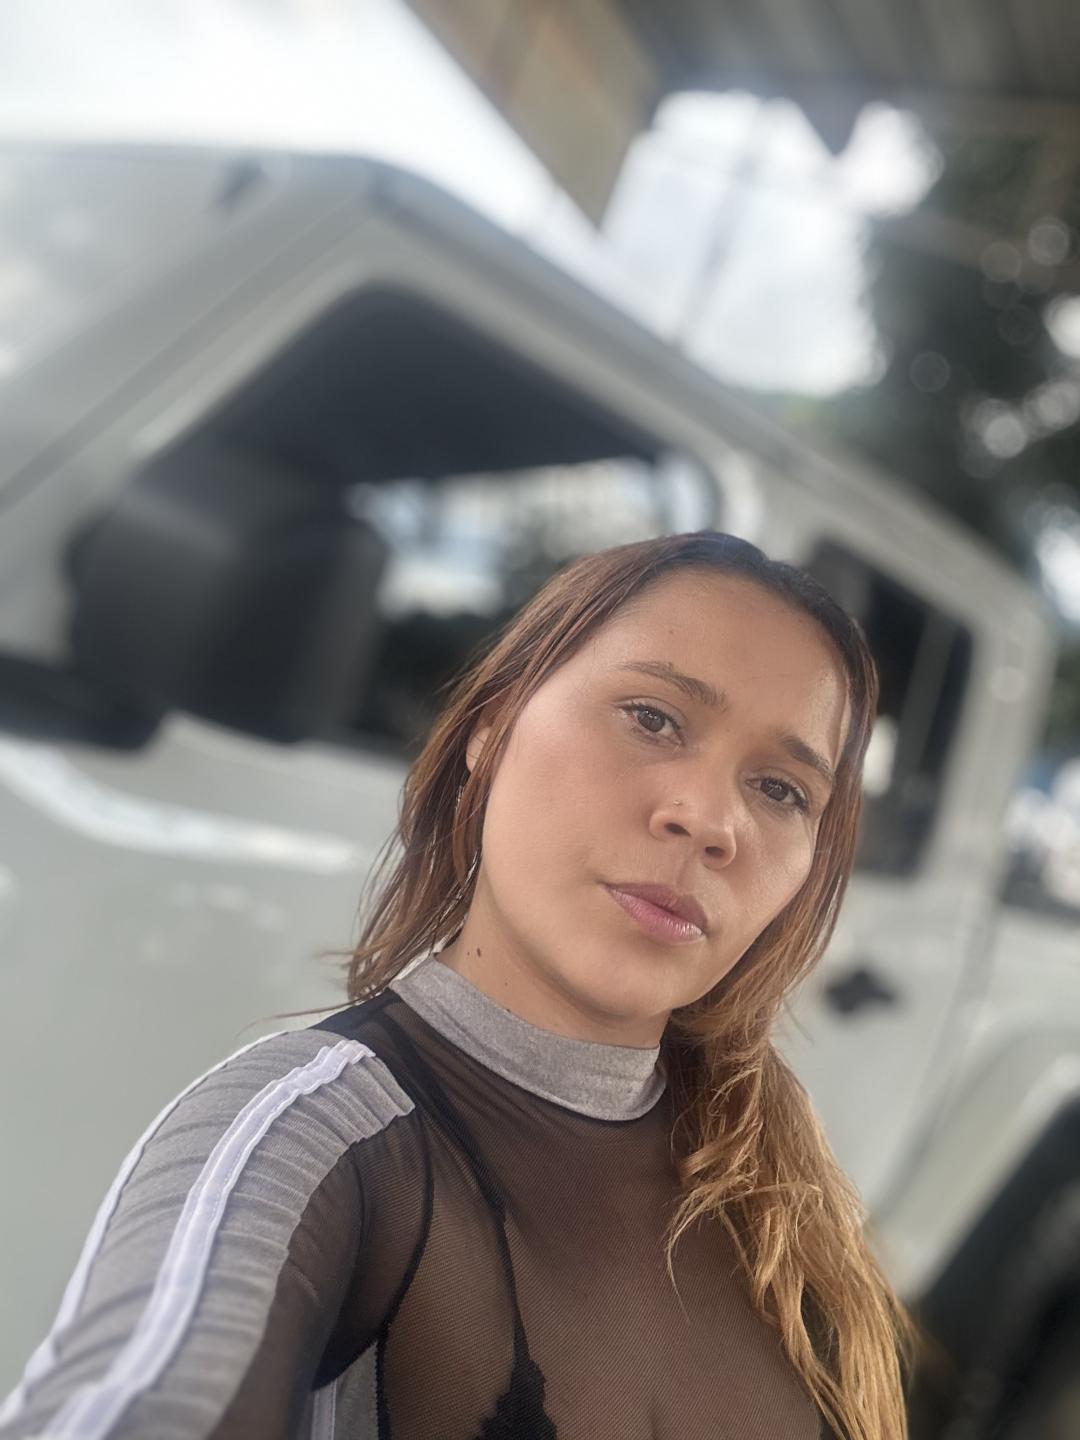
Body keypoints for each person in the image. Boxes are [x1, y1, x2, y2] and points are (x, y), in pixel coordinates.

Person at [0, 530, 917, 1440]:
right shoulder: (311, 1136)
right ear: (493, 725)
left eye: (780, 790)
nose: (710, 819)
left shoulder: (783, 1204)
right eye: (652, 718)